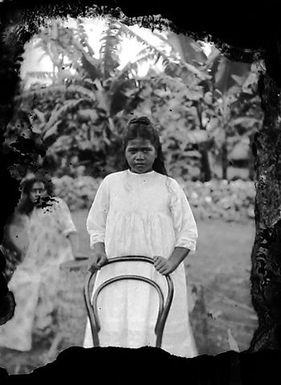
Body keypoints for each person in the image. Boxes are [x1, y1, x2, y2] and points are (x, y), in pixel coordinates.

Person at [83, 116, 198, 357]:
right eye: (133, 150)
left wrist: (172, 261)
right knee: (115, 327)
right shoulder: (111, 184)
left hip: (157, 273)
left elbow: (188, 231)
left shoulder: (169, 186)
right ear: (124, 152)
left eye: (146, 150)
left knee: (154, 332)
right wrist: (99, 250)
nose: (139, 157)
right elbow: (96, 224)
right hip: (117, 272)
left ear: (156, 152)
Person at [0, 173, 79, 351]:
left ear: (47, 191)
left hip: (58, 260)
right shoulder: (28, 212)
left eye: (41, 190)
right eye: (33, 191)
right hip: (34, 262)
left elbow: (70, 231)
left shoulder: (57, 205)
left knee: (42, 287)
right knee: (18, 285)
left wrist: (74, 256)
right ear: (27, 193)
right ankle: (17, 338)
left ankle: (45, 329)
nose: (37, 194)